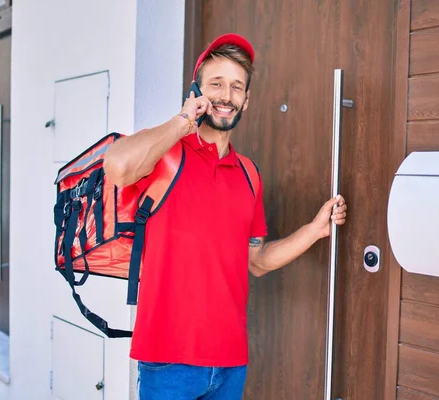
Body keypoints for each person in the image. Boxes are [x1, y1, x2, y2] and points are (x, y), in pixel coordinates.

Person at [103, 33, 347, 400]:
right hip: (168, 362)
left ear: (246, 101)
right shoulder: (166, 154)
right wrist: (182, 120)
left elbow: (258, 261)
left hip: (231, 363)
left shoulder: (248, 174)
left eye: (237, 87)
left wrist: (313, 231)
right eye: (216, 84)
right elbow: (118, 167)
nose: (226, 96)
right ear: (196, 91)